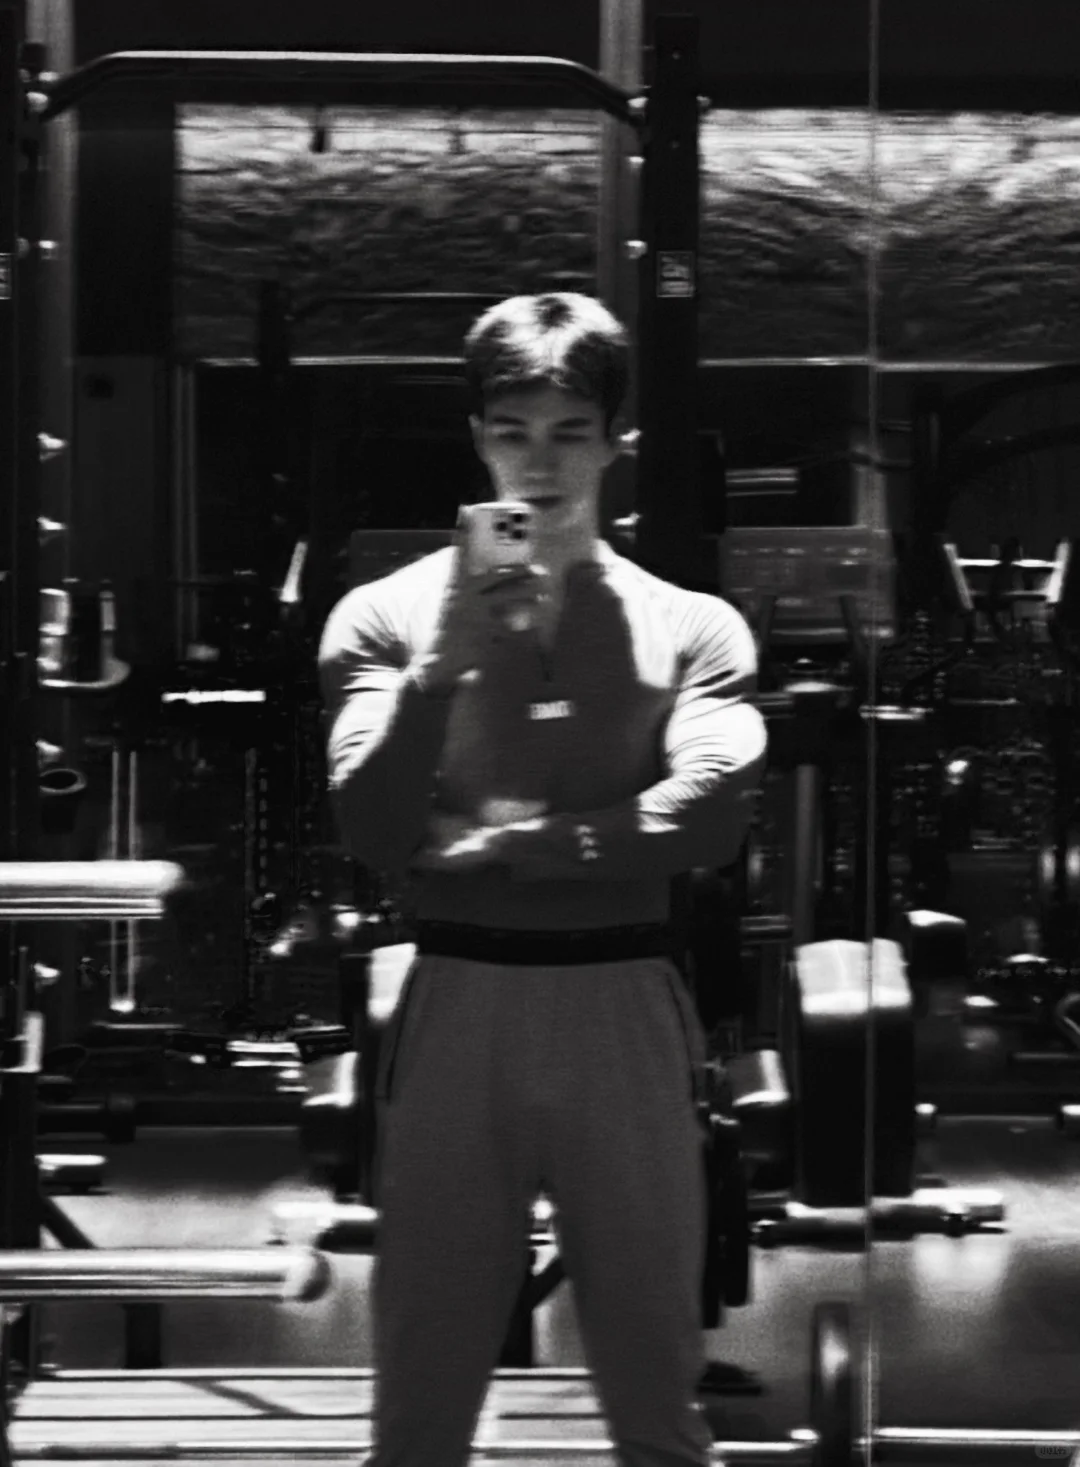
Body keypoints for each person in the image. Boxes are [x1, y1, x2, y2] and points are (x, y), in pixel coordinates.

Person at [317, 292, 768, 1467]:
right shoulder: (386, 616)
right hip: (458, 999)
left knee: (657, 1398)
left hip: (624, 1001)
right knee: (420, 1402)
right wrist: (438, 675)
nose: (542, 462)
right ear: (479, 439)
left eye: (571, 432)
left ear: (616, 444)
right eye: (515, 431)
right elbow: (374, 828)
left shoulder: (694, 625)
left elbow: (712, 814)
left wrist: (519, 846)